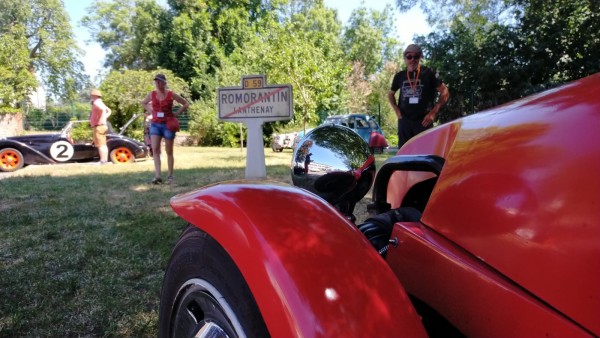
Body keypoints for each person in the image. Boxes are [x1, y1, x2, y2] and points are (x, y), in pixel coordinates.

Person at [388, 44, 449, 149]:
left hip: (424, 122)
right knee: (404, 154)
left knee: (424, 154)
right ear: (405, 58)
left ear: (420, 57)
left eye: (416, 56)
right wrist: (396, 110)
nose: (412, 59)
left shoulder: (429, 73)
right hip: (405, 121)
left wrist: (433, 112)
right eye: (409, 56)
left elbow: (445, 92)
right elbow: (391, 94)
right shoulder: (400, 76)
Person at [141, 74, 190, 184]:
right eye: (156, 82)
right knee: (156, 150)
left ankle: (170, 176)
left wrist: (176, 114)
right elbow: (143, 103)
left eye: (159, 81)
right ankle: (157, 176)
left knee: (169, 151)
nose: (157, 83)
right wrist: (151, 111)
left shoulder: (171, 94)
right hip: (155, 124)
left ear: (164, 82)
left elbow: (186, 103)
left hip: (168, 124)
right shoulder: (152, 94)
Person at [89, 89, 112, 164]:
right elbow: (109, 110)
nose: (91, 96)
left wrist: (98, 119)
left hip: (98, 126)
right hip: (103, 125)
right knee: (103, 144)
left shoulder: (96, 102)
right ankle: (104, 160)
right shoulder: (101, 102)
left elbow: (101, 109)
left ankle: (102, 160)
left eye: (91, 95)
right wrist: (104, 117)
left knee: (100, 144)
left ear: (94, 95)